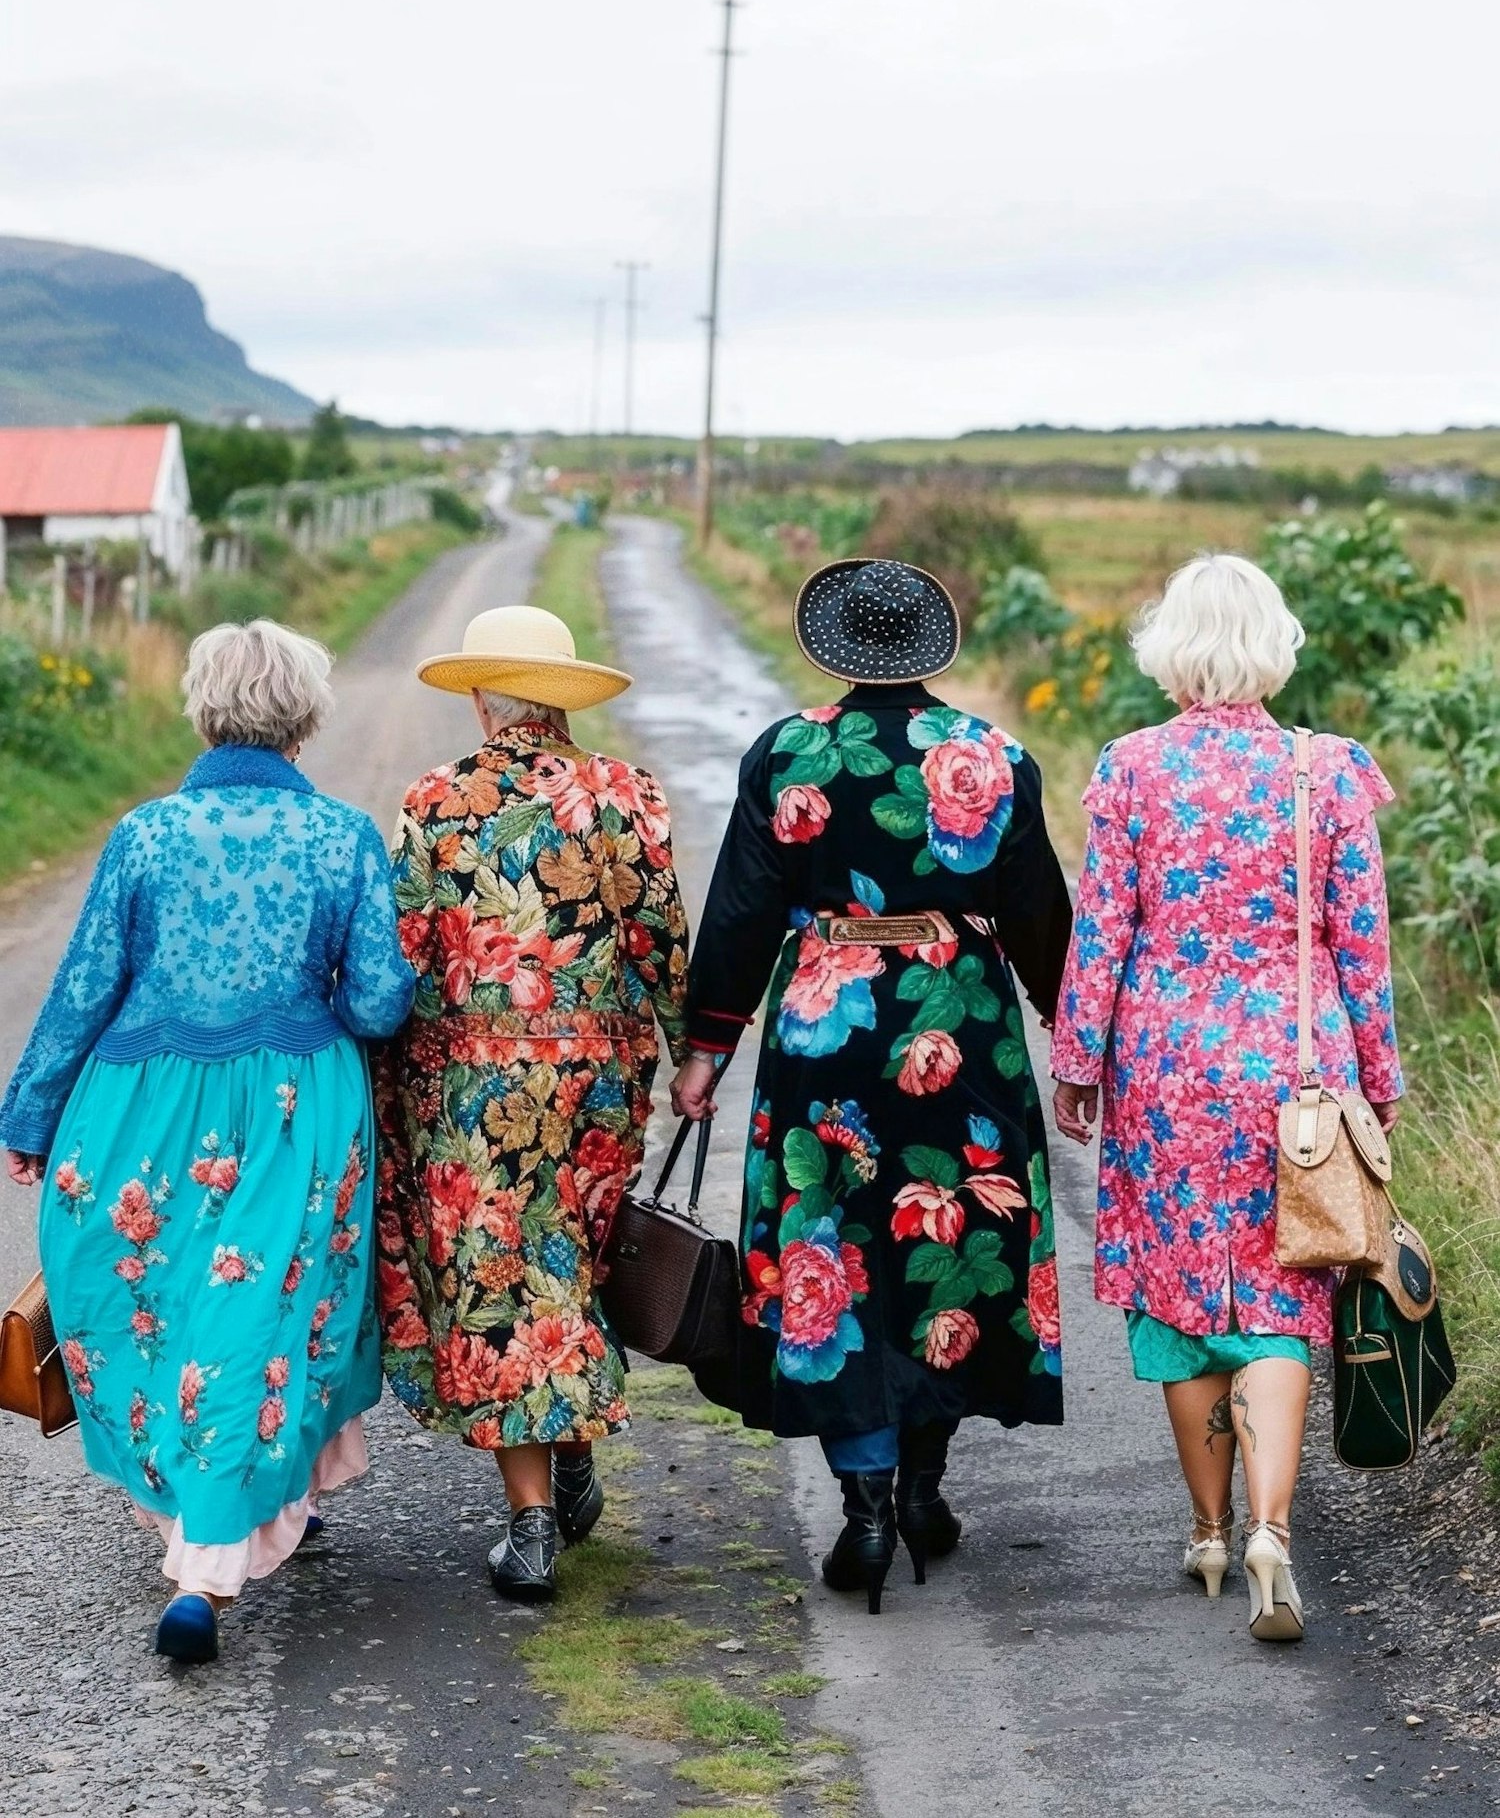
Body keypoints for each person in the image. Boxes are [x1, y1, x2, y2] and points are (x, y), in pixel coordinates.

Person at [0, 619, 414, 1664]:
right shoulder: (345, 838)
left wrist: (31, 1117)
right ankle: (224, 1533)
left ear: (204, 706)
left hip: (141, 1109)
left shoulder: (142, 835)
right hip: (294, 1111)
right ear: (306, 715)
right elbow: (375, 1003)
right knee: (263, 1305)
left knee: (172, 1304)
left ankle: (207, 1555)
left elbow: (84, 986)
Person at [673, 559, 1074, 1616]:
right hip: (963, 1030)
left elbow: (742, 913)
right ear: (929, 651)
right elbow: (1037, 908)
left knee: (834, 1244)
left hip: (827, 1036)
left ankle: (866, 1502)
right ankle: (926, 1486)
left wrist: (708, 1044)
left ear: (836, 648)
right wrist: (1058, 1013)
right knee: (942, 1242)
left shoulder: (792, 751)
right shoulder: (994, 755)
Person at [1049, 553, 1403, 1645]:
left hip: (1164, 1068)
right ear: (1273, 643)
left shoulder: (1132, 767)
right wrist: (1378, 1083)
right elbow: (1363, 945)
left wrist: (1077, 1058)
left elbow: (1101, 927)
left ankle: (1206, 1530)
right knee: (1284, 1296)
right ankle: (1271, 1532)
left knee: (1182, 1299)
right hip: (1296, 1071)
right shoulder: (1329, 770)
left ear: (1173, 649)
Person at [374, 604, 689, 1604]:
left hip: (469, 1089)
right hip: (596, 1080)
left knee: (503, 1278)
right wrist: (694, 1053)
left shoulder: (435, 798)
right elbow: (659, 937)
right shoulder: (626, 793)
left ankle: (534, 1520)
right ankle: (574, 1452)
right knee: (576, 1257)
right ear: (561, 699)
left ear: (481, 695)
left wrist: (375, 1057)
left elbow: (406, 951)